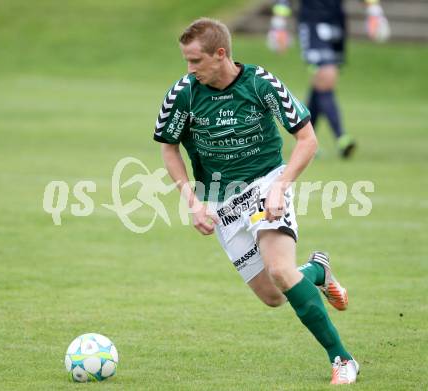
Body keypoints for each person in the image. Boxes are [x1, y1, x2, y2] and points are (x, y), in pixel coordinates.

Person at [154, 18, 357, 385]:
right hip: (220, 202)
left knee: (281, 270)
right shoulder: (182, 94)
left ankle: (342, 358)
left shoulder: (261, 84)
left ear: (221, 54)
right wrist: (192, 201)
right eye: (186, 60)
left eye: (195, 60)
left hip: (266, 184)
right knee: (274, 295)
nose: (189, 69)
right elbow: (169, 148)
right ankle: (318, 271)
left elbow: (307, 140)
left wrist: (281, 185)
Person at [268, 0, 390, 158]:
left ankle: (306, 142)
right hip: (312, 24)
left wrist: (375, 12)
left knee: (321, 84)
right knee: (326, 75)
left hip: (337, 23)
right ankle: (341, 138)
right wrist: (278, 25)